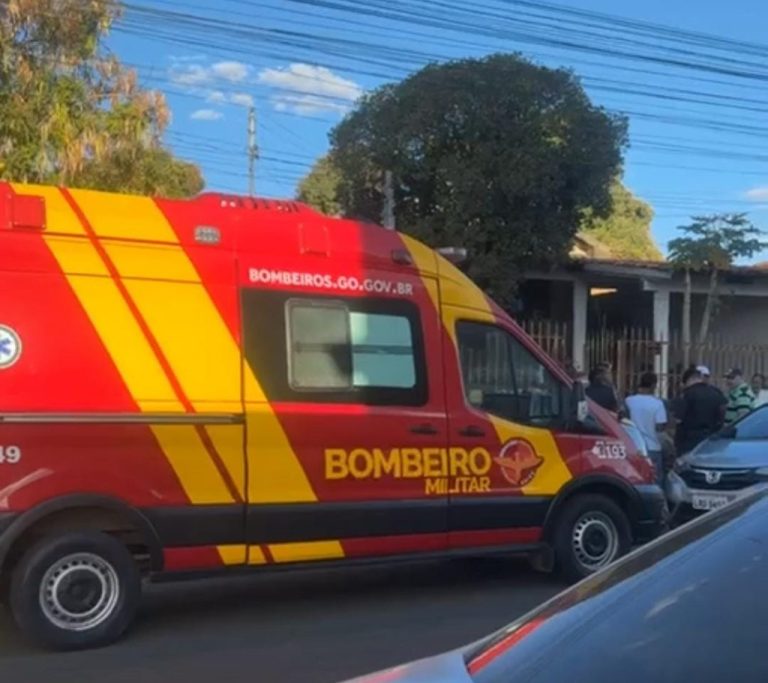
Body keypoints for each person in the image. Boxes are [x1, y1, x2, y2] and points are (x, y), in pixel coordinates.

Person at [673, 366, 727, 456]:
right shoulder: (716, 393)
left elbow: (678, 420)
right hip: (711, 439)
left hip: (688, 441)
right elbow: (722, 413)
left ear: (689, 380)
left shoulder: (686, 395)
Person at [625, 372, 667, 485]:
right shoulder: (658, 404)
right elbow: (660, 427)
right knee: (655, 480)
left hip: (633, 446)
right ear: (654, 385)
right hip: (653, 447)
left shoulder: (629, 401)